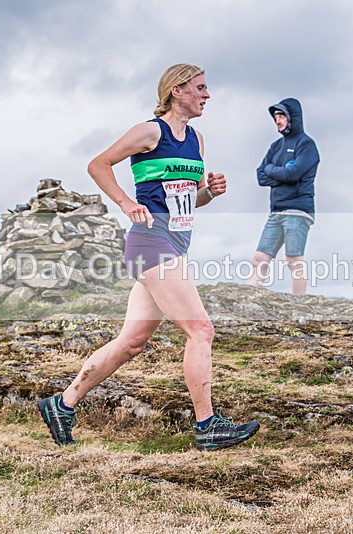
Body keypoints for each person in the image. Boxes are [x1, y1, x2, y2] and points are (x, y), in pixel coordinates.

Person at [38, 64, 259, 451]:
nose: (207, 95)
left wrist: (211, 193)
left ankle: (62, 403)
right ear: (177, 90)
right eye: (200, 88)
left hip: (175, 243)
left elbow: (191, 200)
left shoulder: (196, 140)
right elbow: (98, 164)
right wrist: (126, 203)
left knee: (131, 342)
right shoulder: (150, 131)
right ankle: (208, 427)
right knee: (201, 330)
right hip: (149, 242)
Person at [248, 98, 319, 294]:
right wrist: (280, 172)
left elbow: (293, 173)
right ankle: (249, 299)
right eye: (276, 117)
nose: (278, 121)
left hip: (298, 211)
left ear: (293, 118)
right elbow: (261, 176)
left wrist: (276, 171)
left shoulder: (307, 145)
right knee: (259, 258)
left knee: (294, 260)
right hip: (276, 211)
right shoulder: (276, 146)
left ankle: (299, 306)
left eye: (282, 116)